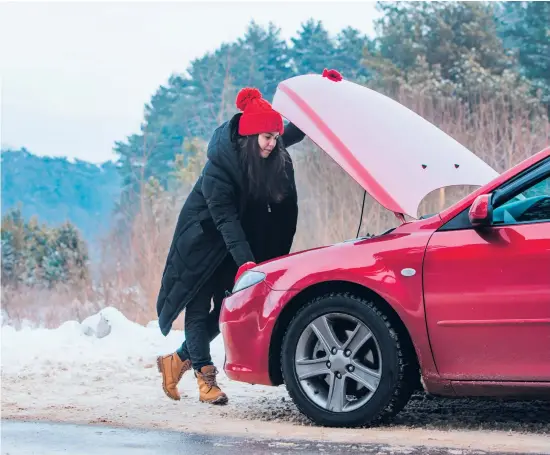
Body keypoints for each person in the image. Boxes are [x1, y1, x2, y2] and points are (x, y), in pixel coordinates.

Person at [156, 86, 306, 405]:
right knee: (197, 311)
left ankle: (175, 362)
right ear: (251, 137)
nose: (272, 143)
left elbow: (289, 135)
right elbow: (226, 221)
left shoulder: (264, 149)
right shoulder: (219, 169)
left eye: (274, 137)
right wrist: (247, 263)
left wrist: (321, 104)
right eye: (266, 138)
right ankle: (205, 379)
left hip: (229, 243)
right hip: (201, 242)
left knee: (226, 306)